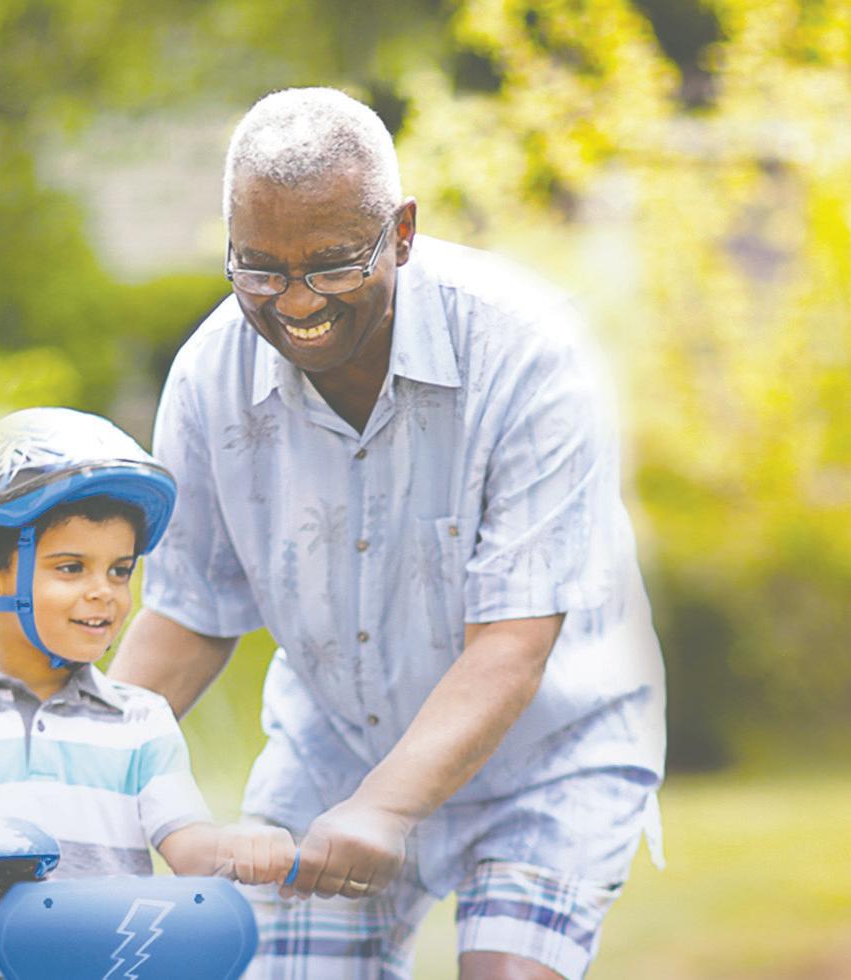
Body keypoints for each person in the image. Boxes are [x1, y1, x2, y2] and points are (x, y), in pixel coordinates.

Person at [110, 86, 666, 980]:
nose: (296, 302)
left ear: (401, 233)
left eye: (332, 266)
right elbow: (188, 614)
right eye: (260, 269)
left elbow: (514, 641)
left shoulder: (527, 352)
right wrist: (74, 756)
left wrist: (386, 807)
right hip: (333, 751)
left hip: (549, 756)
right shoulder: (210, 379)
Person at [0, 407, 297, 979]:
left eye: (119, 571)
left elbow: (191, 848)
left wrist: (242, 846)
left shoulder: (139, 721)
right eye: (71, 568)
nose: (104, 592)